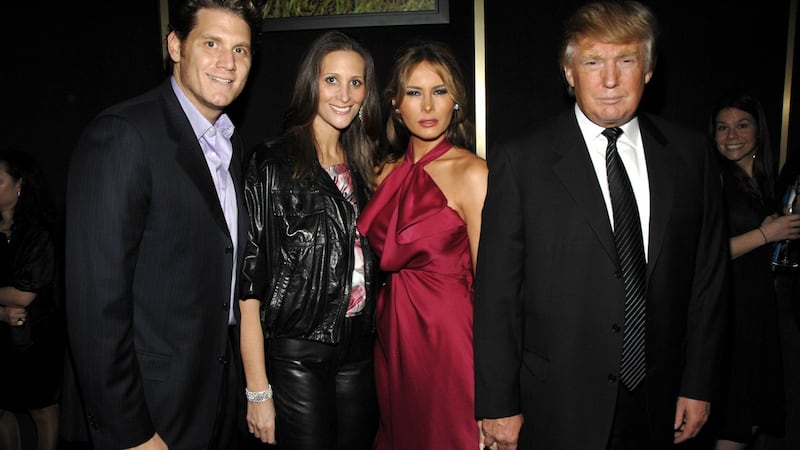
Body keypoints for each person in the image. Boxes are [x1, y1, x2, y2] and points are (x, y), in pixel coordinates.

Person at [473, 1, 730, 449]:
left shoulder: (691, 156)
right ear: (570, 73)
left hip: (662, 400)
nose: (610, 80)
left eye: (626, 60)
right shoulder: (522, 160)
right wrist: (498, 402)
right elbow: (498, 294)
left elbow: (709, 281)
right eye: (593, 62)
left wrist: (699, 383)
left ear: (648, 70)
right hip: (557, 401)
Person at [64, 0, 263, 448]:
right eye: (211, 43)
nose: (227, 64)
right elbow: (95, 304)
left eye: (241, 50)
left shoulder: (228, 146)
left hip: (208, 399)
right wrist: (130, 432)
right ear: (176, 46)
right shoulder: (123, 134)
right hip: (147, 412)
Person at [239, 30, 382, 449]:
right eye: (331, 79)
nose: (344, 94)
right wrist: (257, 390)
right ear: (311, 84)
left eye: (356, 82)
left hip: (359, 352)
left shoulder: (367, 167)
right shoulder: (272, 162)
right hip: (296, 356)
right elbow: (249, 286)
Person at [356, 40, 487, 449]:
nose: (427, 106)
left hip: (452, 337)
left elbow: (492, 288)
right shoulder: (382, 172)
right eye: (414, 93)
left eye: (440, 91)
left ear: (456, 103)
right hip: (393, 333)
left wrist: (498, 383)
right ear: (396, 104)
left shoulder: (474, 173)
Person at [710, 92, 800, 450]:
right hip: (729, 320)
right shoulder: (715, 182)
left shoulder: (766, 186)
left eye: (742, 125)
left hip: (759, 315)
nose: (732, 135)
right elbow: (704, 256)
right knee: (732, 425)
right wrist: (766, 234)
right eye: (722, 127)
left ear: (759, 132)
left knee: (747, 425)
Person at [0, 149, 63, 450]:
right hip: (1, 332)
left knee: (41, 407)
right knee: (3, 408)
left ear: (19, 184)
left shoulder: (38, 231)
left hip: (37, 336)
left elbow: (24, 294)